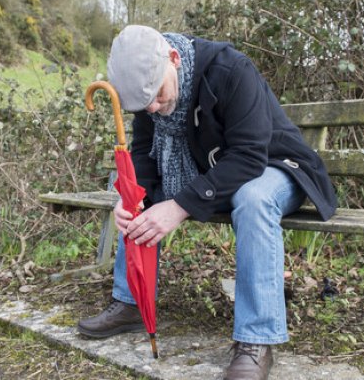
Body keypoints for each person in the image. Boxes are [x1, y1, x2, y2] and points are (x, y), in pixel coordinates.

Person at [77, 25, 337, 380]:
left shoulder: (230, 70)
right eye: (143, 105)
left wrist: (178, 206)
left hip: (278, 167)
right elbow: (142, 155)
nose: (152, 108)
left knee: (254, 197)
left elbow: (248, 158)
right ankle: (132, 302)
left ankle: (256, 340)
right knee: (131, 191)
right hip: (214, 174)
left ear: (174, 58)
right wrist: (130, 197)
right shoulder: (147, 91)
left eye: (157, 95)